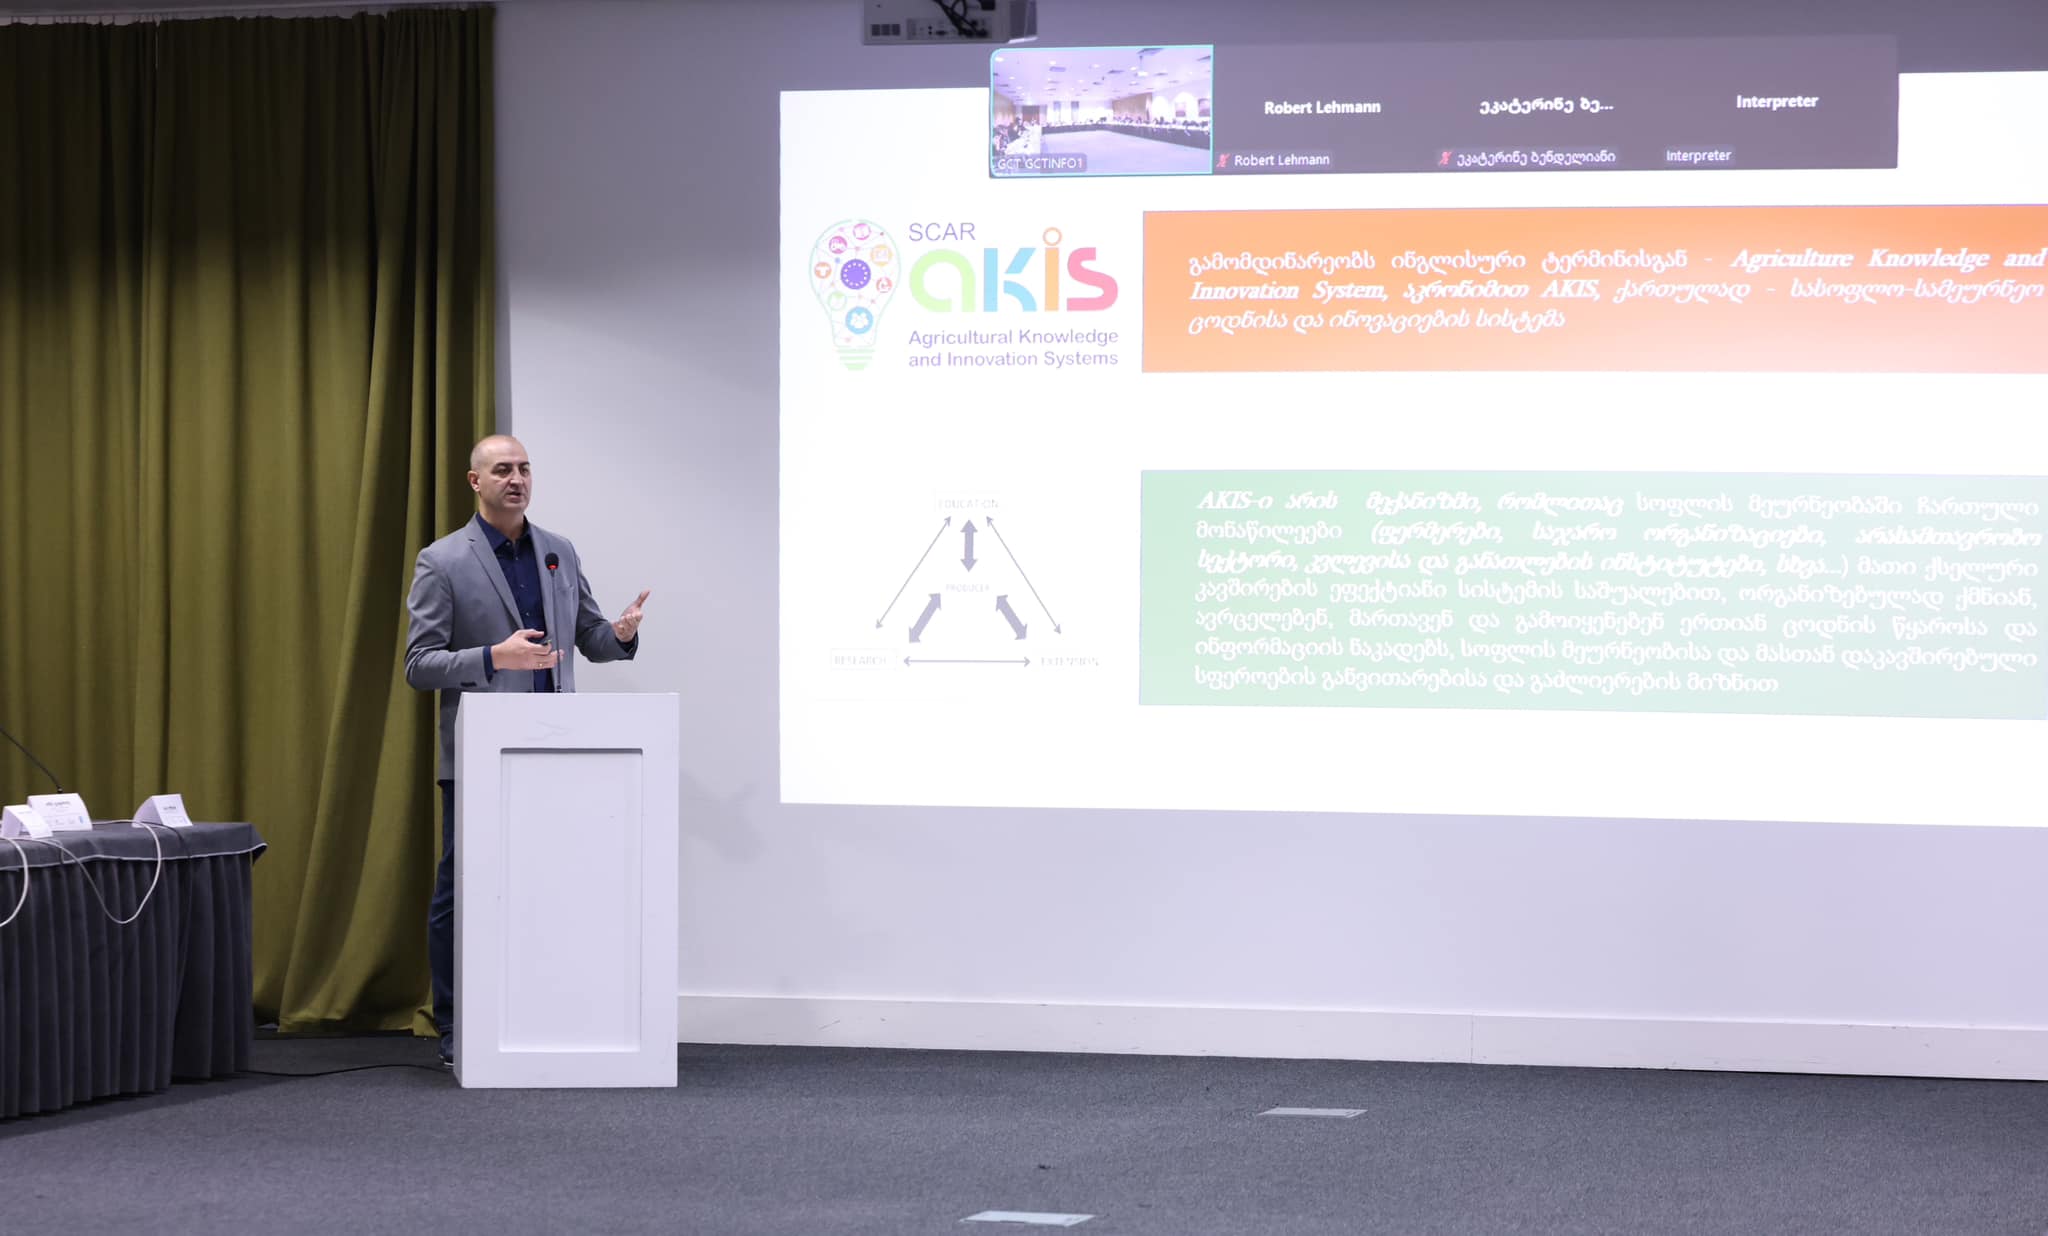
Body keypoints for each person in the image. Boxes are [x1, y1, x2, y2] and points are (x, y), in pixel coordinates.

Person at [402, 434, 650, 1066]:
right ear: (475, 481)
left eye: (525, 469)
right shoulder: (442, 560)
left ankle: (540, 1011)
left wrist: (619, 634)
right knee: (462, 889)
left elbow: (589, 637)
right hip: (481, 756)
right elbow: (419, 665)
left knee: (550, 885)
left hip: (556, 751)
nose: (517, 479)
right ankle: (455, 1026)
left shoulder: (558, 552)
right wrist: (494, 657)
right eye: (503, 470)